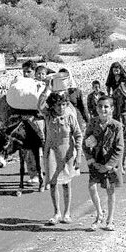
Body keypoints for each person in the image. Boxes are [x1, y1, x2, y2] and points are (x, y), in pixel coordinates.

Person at [38, 90, 82, 225]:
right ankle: (56, 212)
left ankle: (67, 213)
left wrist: (78, 155)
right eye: (58, 105)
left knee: (66, 183)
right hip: (51, 151)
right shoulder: (49, 116)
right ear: (52, 106)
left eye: (63, 104)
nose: (61, 107)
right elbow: (39, 105)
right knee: (52, 183)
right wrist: (46, 88)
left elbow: (78, 135)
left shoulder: (70, 117)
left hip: (67, 152)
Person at [83, 96, 124, 231]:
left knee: (110, 190)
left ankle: (110, 220)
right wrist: (91, 160)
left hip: (109, 163)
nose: (103, 109)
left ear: (112, 109)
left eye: (106, 106)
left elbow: (119, 148)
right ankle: (99, 214)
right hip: (95, 161)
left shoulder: (116, 126)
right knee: (91, 186)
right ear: (96, 108)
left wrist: (109, 165)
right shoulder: (92, 123)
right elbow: (85, 143)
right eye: (100, 106)